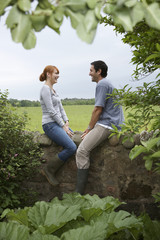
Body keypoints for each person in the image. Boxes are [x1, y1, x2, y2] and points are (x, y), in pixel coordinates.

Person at [75, 60, 124, 194]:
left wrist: (90, 128)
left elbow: (98, 109)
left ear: (99, 71)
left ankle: (78, 194)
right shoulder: (107, 83)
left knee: (82, 151)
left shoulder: (102, 84)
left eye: (91, 70)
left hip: (107, 125)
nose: (89, 73)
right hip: (114, 124)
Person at [39, 65, 77, 186]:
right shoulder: (45, 89)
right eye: (56, 73)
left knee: (73, 138)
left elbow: (60, 108)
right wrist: (63, 126)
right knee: (71, 147)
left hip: (58, 124)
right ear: (48, 74)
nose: (58, 76)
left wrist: (66, 121)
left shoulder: (53, 90)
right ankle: (48, 170)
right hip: (49, 124)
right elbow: (51, 110)